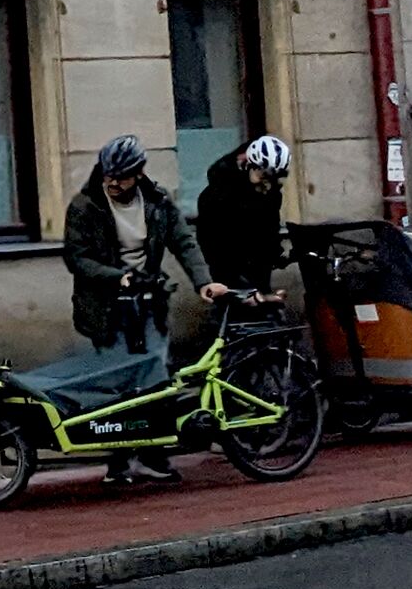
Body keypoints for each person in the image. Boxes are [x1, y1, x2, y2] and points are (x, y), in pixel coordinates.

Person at [61, 135, 225, 485]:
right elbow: (76, 258)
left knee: (154, 379)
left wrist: (204, 283)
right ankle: (118, 461)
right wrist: (115, 277)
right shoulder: (85, 206)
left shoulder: (157, 202)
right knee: (119, 383)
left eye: (121, 177)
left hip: (149, 302)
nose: (113, 182)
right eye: (109, 175)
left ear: (138, 174)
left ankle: (153, 456)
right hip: (105, 309)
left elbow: (184, 242)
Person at [194, 134, 293, 296]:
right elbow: (210, 240)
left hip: (258, 266)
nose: (267, 186)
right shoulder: (219, 193)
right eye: (263, 177)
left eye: (273, 179)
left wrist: (275, 253)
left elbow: (270, 226)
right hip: (227, 266)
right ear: (249, 166)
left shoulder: (272, 193)